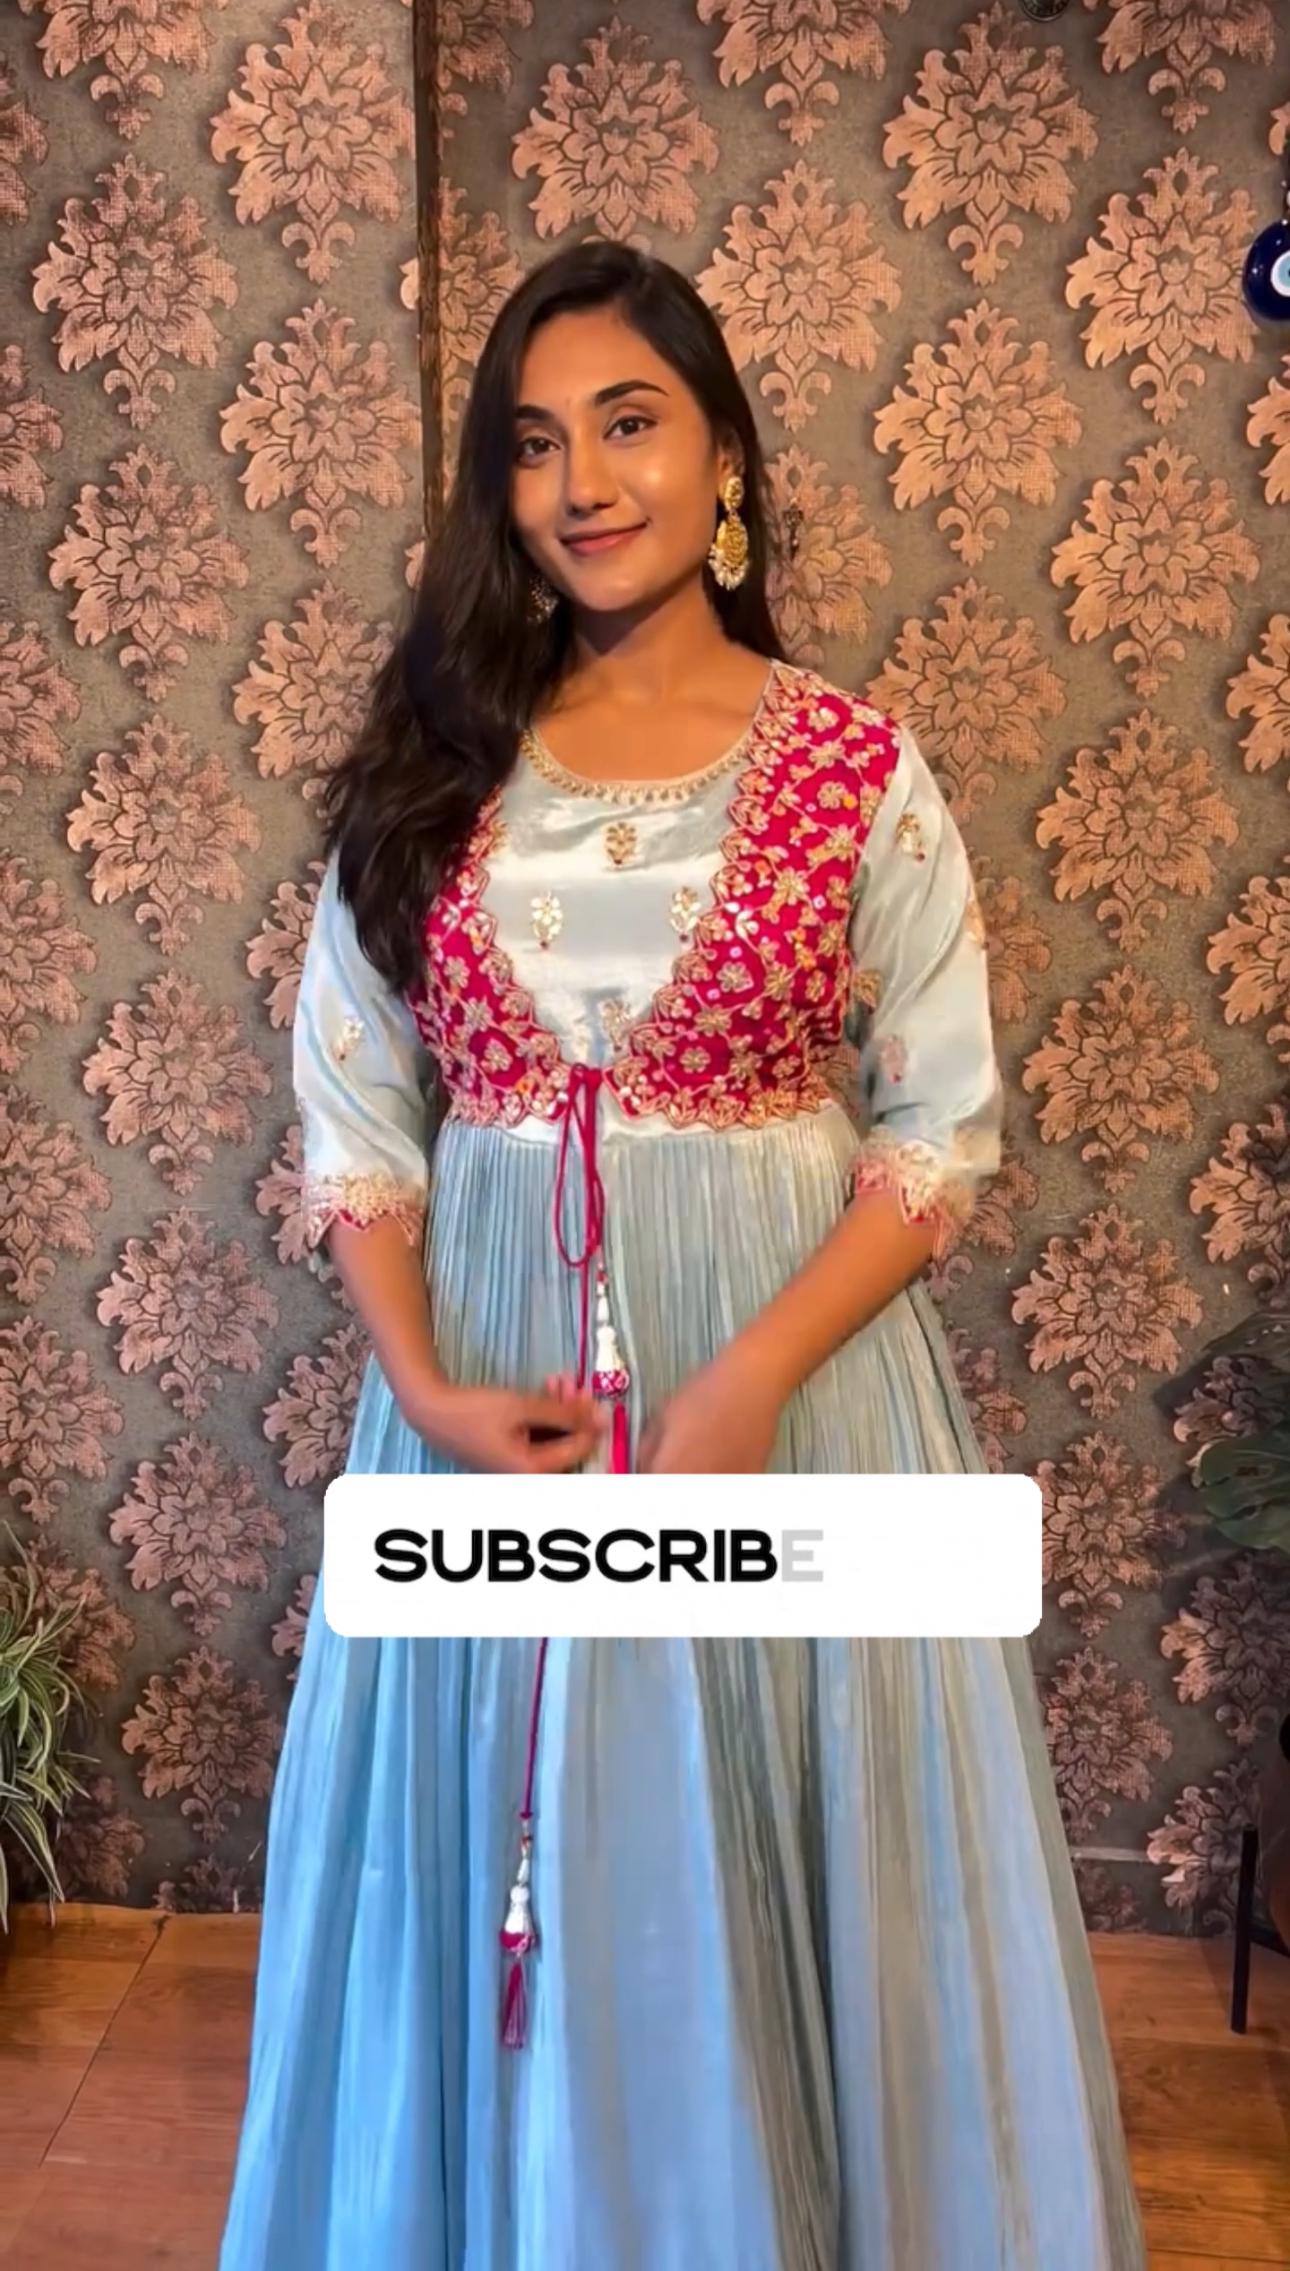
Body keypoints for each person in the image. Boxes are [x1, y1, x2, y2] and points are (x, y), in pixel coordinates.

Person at [219, 242, 1145, 2270]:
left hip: (789, 1401)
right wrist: (430, 1389)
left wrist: (744, 1384)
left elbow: (938, 1129)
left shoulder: (852, 770)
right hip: (492, 1404)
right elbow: (357, 1125)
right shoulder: (435, 763)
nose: (582, 481)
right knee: (510, 1859)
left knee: (786, 1864)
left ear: (721, 451)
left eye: (628, 423)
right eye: (533, 442)